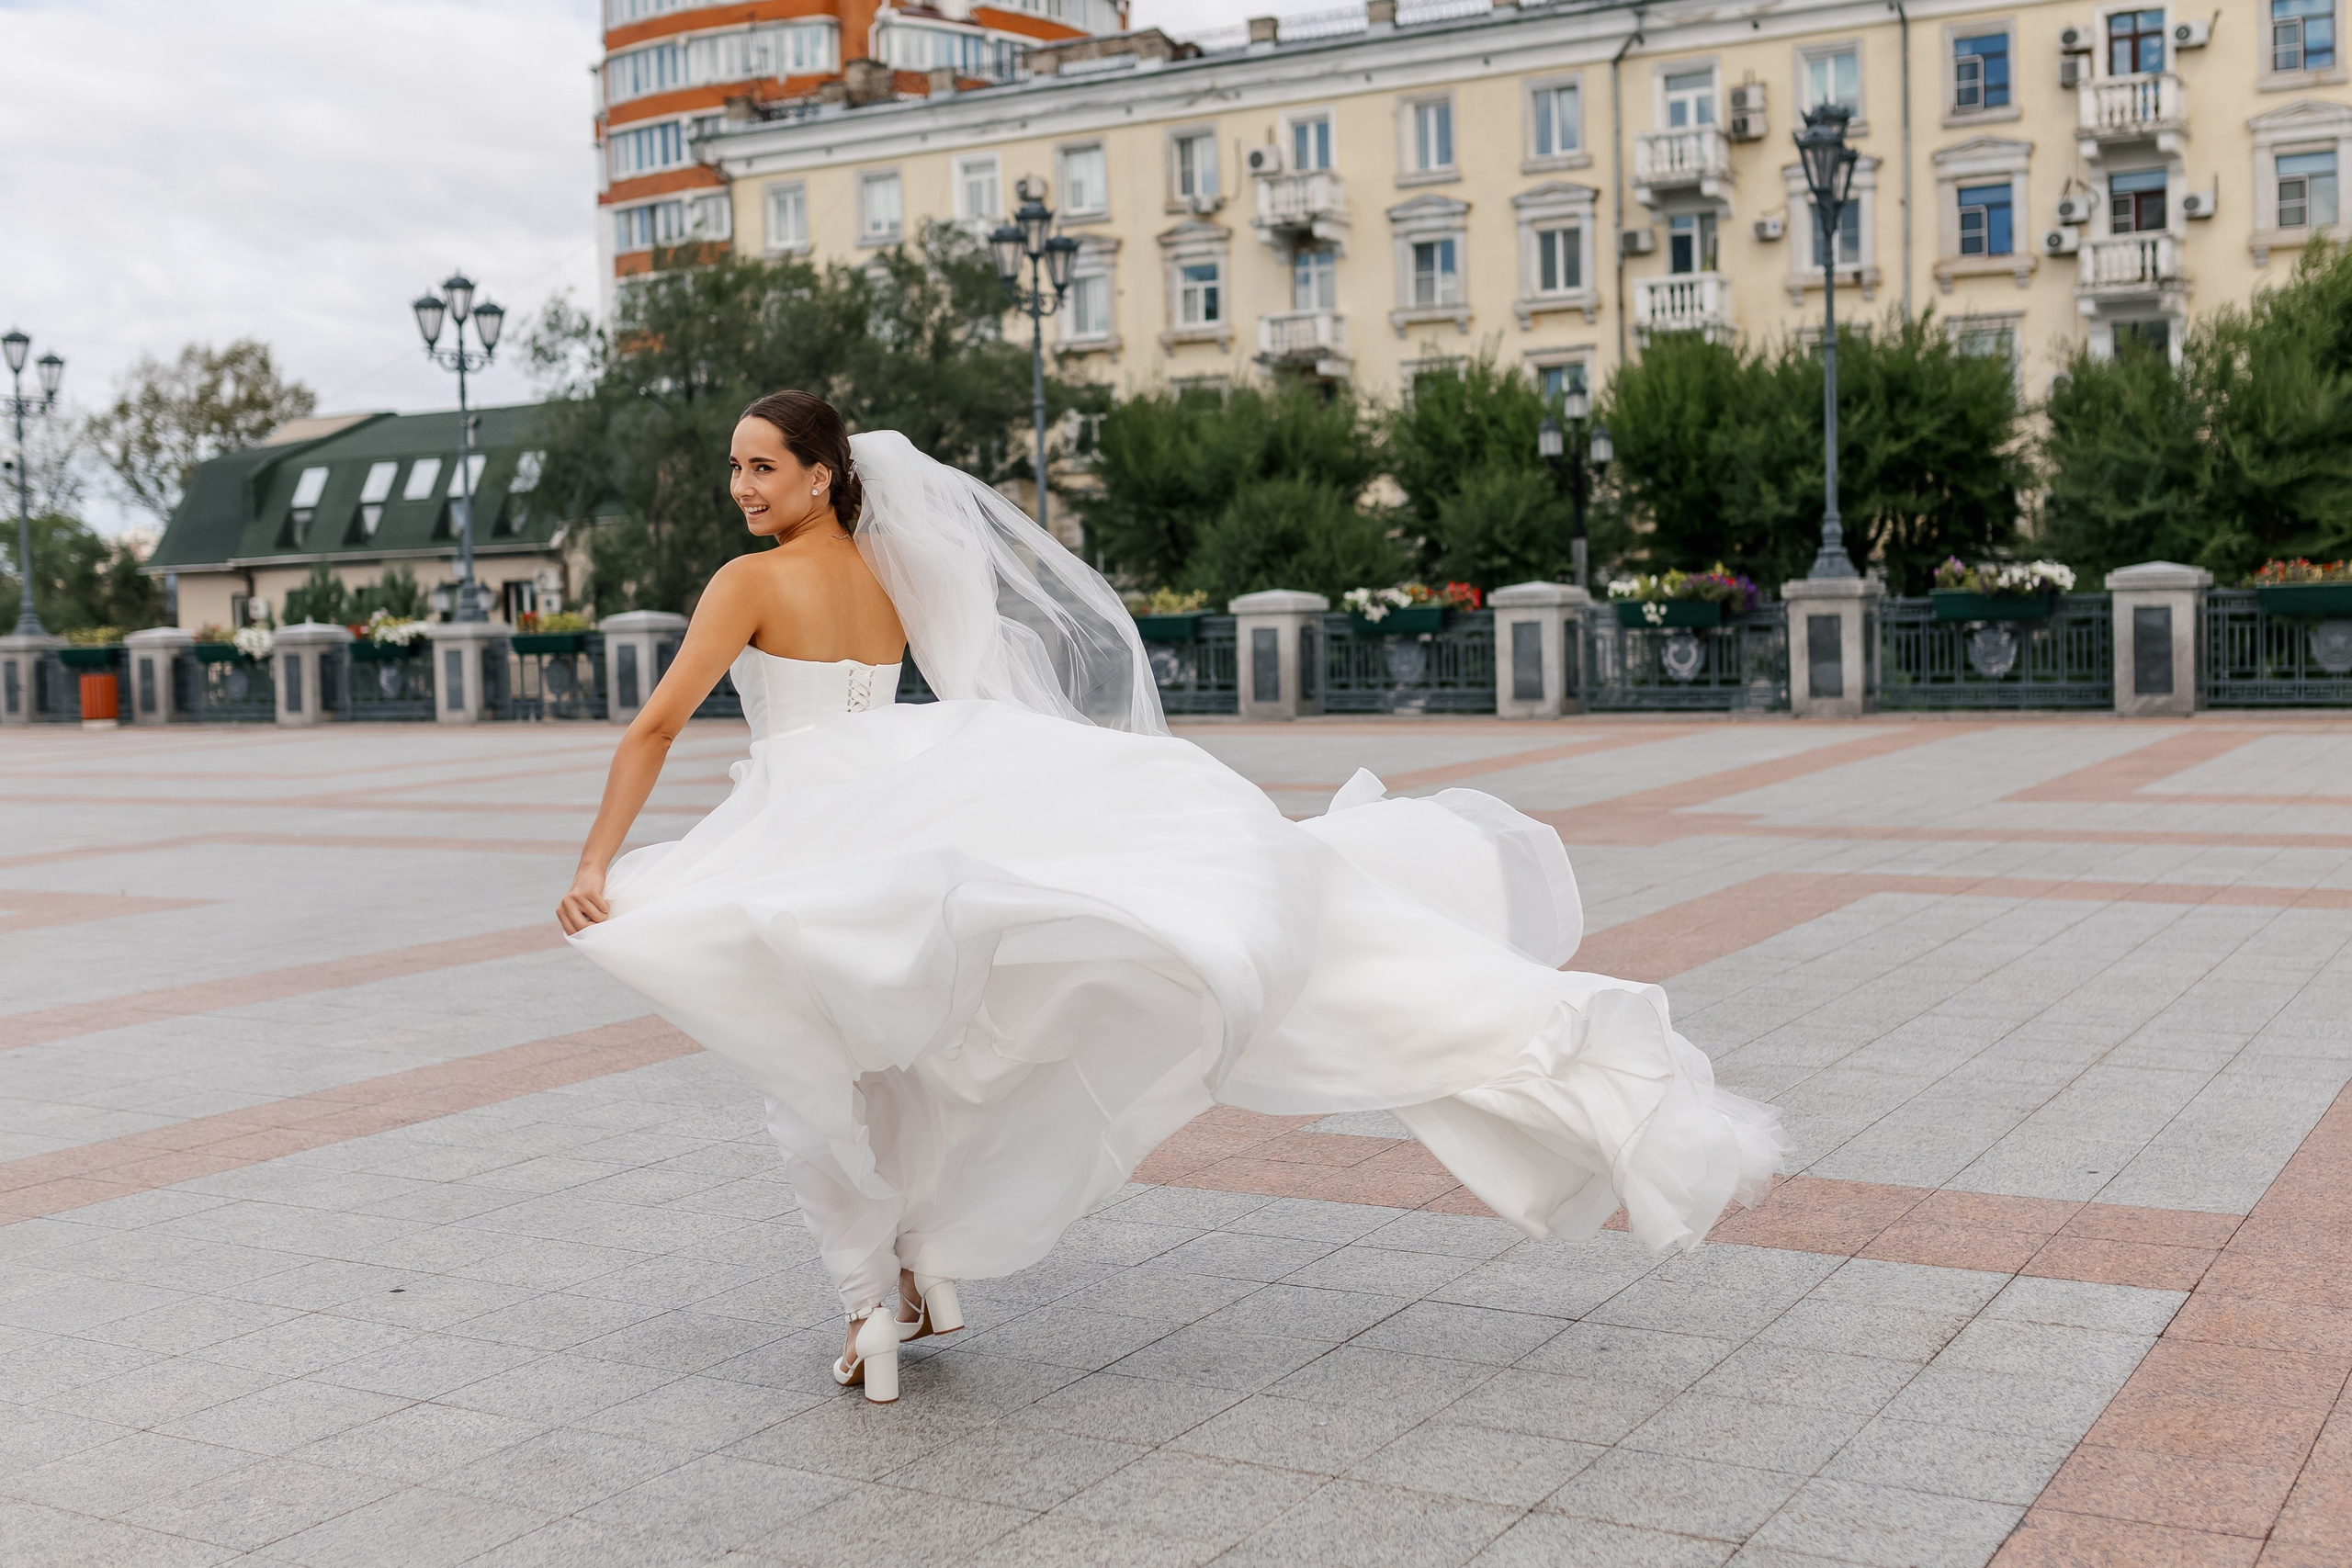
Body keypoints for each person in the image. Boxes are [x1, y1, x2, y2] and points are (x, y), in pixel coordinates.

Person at [559, 390, 1781, 1404]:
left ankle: (873, 1307)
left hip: (803, 827)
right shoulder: (888, 582)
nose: (743, 487)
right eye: (737, 469)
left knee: (817, 1072)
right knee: (897, 1060)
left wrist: (596, 864)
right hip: (885, 809)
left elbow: (659, 722)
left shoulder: (747, 584)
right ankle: (919, 1276)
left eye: (764, 466)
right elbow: (968, 690)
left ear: (825, 475)